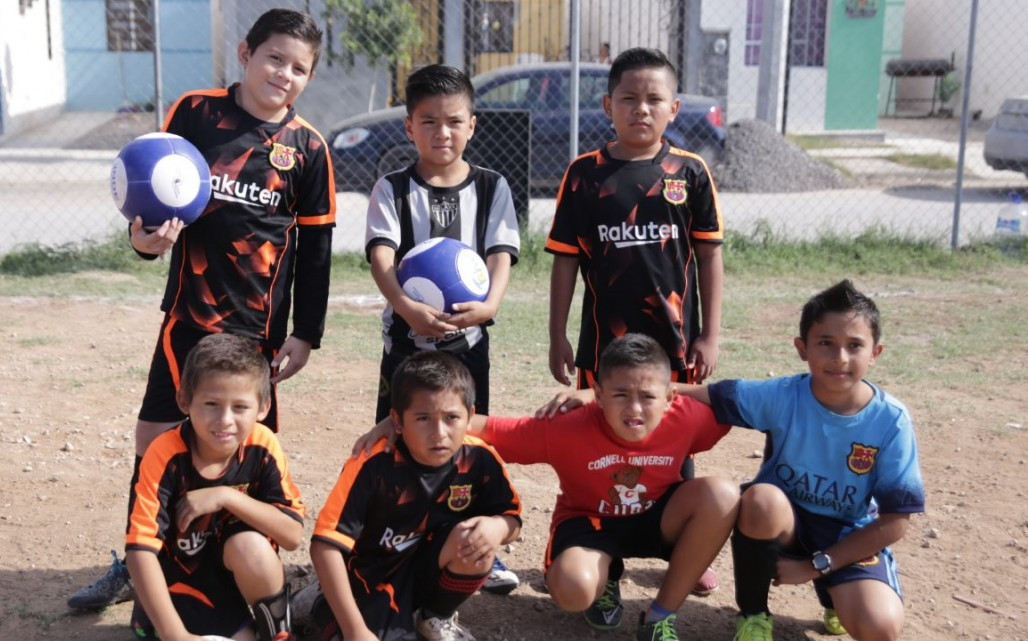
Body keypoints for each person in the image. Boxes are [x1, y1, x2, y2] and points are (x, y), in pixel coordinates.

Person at [67, 8, 334, 612]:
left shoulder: (309, 148)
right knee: (156, 437)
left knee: (242, 445)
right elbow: (152, 202)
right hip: (187, 321)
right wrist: (143, 244)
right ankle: (142, 560)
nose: (284, 75)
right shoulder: (195, 112)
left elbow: (317, 248)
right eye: (274, 58)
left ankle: (246, 566)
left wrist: (307, 332)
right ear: (245, 53)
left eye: (299, 68)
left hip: (256, 335)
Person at [357, 334, 739, 640]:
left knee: (721, 494)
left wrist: (671, 385)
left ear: (670, 397)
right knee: (574, 590)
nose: (634, 409)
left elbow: (739, 398)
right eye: (620, 394)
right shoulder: (567, 426)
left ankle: (659, 616)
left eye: (648, 396)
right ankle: (604, 578)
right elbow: (491, 429)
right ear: (599, 394)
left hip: (659, 517)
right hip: (591, 525)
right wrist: (404, 423)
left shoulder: (687, 417)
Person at [544, 46, 724, 595]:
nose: (641, 109)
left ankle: (680, 549)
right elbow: (565, 260)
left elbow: (710, 254)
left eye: (654, 99)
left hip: (672, 344)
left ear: (674, 107)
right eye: (629, 98)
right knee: (604, 438)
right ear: (607, 105)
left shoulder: (689, 172)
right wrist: (557, 334)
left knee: (676, 440)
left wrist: (709, 333)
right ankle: (603, 552)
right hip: (605, 346)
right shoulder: (583, 175)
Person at [677, 280, 926, 641]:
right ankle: (754, 616)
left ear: (875, 352)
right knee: (760, 499)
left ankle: (835, 598)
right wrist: (599, 394)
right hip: (785, 521)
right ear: (802, 348)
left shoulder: (891, 420)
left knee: (880, 628)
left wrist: (813, 567)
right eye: (825, 343)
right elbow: (701, 395)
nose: (839, 358)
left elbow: (894, 523)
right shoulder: (783, 395)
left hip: (846, 532)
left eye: (854, 345)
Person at [364, 63, 522, 593]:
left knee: (467, 438)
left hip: (468, 345)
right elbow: (382, 257)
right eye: (428, 121)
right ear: (409, 126)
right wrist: (405, 305)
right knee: (399, 435)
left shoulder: (494, 186)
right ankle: (388, 536)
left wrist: (490, 305)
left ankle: (476, 541)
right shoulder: (391, 188)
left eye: (454, 121)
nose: (442, 132)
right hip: (407, 346)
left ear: (472, 124)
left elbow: (500, 254)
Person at [307, 351, 523, 641]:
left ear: (470, 416)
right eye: (423, 418)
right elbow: (325, 546)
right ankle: (321, 598)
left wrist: (497, 527)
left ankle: (434, 616)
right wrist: (354, 630)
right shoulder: (374, 463)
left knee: (477, 541)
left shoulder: (480, 458)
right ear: (397, 420)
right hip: (371, 576)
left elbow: (512, 519)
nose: (439, 432)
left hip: (427, 569)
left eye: (451, 418)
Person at [125, 333, 305, 641]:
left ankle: (278, 633)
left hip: (233, 574)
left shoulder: (262, 444)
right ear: (184, 400)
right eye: (211, 404)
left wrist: (225, 497)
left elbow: (291, 535)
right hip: (179, 581)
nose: (225, 420)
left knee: (252, 548)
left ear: (262, 408)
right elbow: (140, 550)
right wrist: (176, 635)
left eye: (239, 407)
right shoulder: (164, 453)